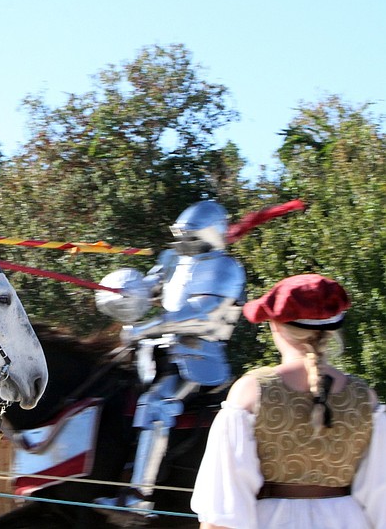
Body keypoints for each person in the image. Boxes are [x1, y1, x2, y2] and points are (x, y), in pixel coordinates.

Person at [191, 274, 386, 528]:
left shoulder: (252, 391)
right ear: (333, 330)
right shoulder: (364, 396)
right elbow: (381, 495)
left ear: (276, 326)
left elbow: (223, 506)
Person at [94, 200, 246, 514]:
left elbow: (201, 315)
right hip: (153, 350)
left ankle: (138, 497)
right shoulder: (173, 258)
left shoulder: (225, 268)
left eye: (189, 237)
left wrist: (144, 328)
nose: (181, 243)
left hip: (198, 356)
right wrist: (121, 292)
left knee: (157, 405)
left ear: (209, 235)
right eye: (179, 236)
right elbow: (150, 287)